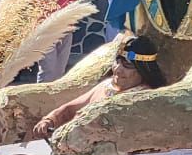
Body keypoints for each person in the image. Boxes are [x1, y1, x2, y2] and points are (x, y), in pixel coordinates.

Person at [35, 35, 164, 133]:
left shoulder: (143, 99)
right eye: (117, 61)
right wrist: (50, 120)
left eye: (127, 65)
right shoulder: (107, 85)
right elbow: (70, 109)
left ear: (143, 70)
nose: (118, 69)